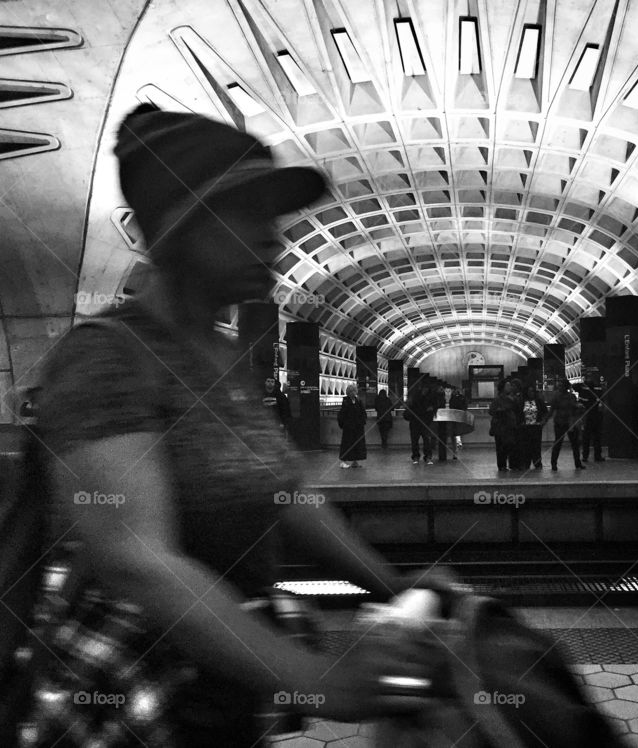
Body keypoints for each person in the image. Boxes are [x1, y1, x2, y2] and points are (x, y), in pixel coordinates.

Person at [22, 104, 437, 745]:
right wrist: (320, 680)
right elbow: (137, 558)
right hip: (129, 699)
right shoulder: (105, 358)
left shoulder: (225, 356)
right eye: (245, 215)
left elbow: (285, 494)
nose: (274, 240)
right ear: (178, 230)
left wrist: (391, 584)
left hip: (219, 691)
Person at [549, 380, 585, 471]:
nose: (559, 388)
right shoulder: (569, 396)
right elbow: (553, 409)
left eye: (561, 386)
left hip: (565, 422)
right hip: (565, 422)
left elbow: (552, 410)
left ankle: (554, 464)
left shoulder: (559, 396)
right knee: (566, 444)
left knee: (569, 444)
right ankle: (575, 463)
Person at [488, 379, 520, 471]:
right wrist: (501, 411)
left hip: (510, 426)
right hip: (501, 427)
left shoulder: (513, 399)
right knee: (501, 447)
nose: (510, 387)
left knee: (511, 446)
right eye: (507, 386)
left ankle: (512, 464)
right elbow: (491, 411)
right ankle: (502, 465)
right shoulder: (498, 400)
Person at [519, 384, 548, 469]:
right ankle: (526, 462)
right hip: (525, 427)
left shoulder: (539, 401)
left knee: (536, 446)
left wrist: (542, 422)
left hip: (536, 427)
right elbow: (519, 413)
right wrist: (521, 422)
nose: (530, 393)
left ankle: (537, 462)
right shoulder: (522, 402)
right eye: (529, 391)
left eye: (532, 391)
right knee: (526, 446)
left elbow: (545, 412)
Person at [338, 384, 367, 468]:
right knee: (347, 444)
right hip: (349, 428)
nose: (353, 393)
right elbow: (342, 414)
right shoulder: (346, 402)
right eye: (351, 391)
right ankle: (343, 461)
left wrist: (362, 421)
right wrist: (344, 424)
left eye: (354, 391)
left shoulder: (358, 401)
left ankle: (355, 461)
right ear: (348, 393)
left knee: (357, 444)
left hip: (358, 428)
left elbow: (363, 412)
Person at [406, 381, 436, 464]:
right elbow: (430, 410)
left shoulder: (414, 397)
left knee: (417, 440)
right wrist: (427, 411)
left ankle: (417, 457)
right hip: (423, 422)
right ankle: (426, 457)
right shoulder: (428, 398)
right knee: (424, 440)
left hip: (416, 422)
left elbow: (413, 409)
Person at [579, 380, 605, 463]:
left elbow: (581, 405)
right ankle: (597, 456)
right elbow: (601, 405)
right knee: (597, 438)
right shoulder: (597, 393)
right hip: (597, 417)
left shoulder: (583, 393)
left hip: (587, 418)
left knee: (586, 438)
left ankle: (585, 456)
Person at [450, 386, 467, 454]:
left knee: (455, 432)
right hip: (459, 416)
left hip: (454, 416)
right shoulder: (462, 397)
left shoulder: (452, 398)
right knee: (458, 431)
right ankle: (458, 443)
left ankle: (456, 446)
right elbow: (465, 406)